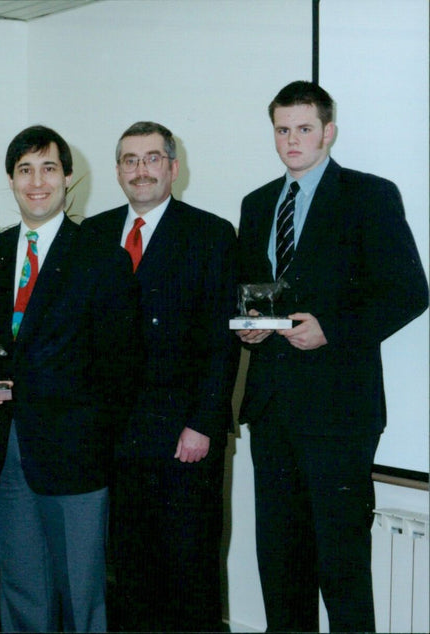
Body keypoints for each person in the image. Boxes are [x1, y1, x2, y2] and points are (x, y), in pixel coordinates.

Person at [236, 80, 429, 632]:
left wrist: (332, 330)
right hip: (271, 409)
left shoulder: (370, 195)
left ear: (328, 131)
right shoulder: (256, 204)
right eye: (281, 129)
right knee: (280, 570)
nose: (291, 140)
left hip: (339, 415)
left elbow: (410, 292)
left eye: (303, 128)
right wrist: (250, 330)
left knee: (342, 574)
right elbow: (252, 293)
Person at [0, 125, 140, 633]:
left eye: (48, 168)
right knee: (22, 592)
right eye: (25, 170)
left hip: (76, 457)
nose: (36, 181)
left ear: (68, 177)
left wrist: (93, 438)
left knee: (81, 594)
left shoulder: (102, 255)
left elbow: (122, 366)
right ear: (11, 180)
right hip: (6, 451)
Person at [82, 121, 239, 631]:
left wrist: (203, 424)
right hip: (113, 441)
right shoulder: (93, 234)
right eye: (130, 160)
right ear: (118, 171)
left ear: (173, 167)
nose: (140, 170)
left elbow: (222, 342)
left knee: (188, 574)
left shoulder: (210, 234)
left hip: (182, 438)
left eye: (152, 158)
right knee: (126, 575)